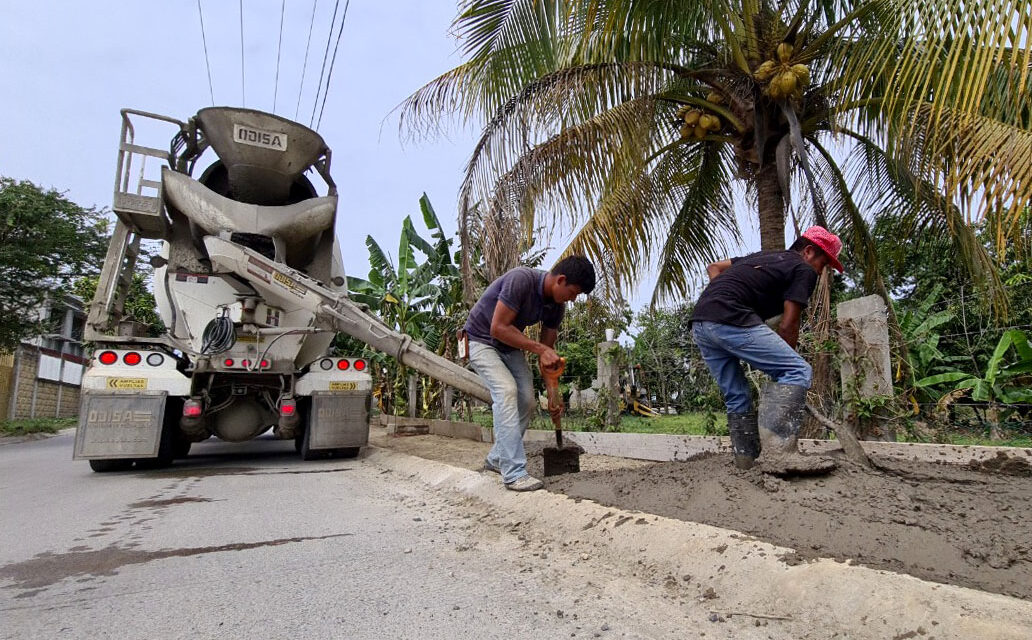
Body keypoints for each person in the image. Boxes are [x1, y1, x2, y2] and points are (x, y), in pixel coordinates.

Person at [689, 226, 843, 469]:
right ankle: (780, 455)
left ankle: (746, 461)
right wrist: (785, 365)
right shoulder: (803, 270)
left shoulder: (762, 257)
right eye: (823, 264)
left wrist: (720, 297)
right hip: (730, 318)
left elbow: (714, 267)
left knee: (737, 395)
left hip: (701, 322)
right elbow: (788, 324)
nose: (821, 271)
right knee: (797, 371)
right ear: (809, 251)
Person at [464, 256, 596, 491]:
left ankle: (496, 459)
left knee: (527, 401)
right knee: (506, 391)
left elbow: (547, 356)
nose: (573, 299)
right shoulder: (521, 280)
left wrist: (553, 394)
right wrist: (541, 349)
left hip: (509, 345)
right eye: (573, 292)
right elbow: (498, 328)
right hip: (481, 340)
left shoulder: (557, 307)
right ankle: (514, 473)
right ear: (561, 280)